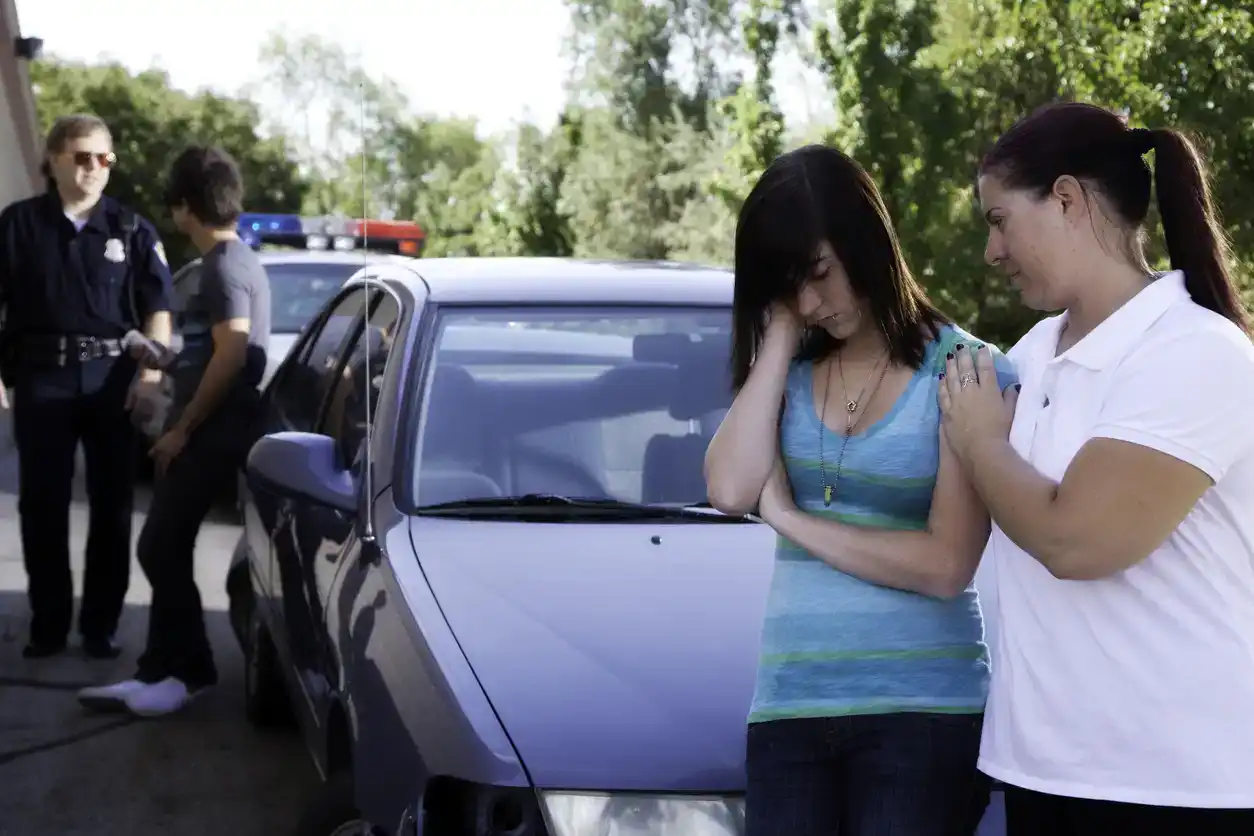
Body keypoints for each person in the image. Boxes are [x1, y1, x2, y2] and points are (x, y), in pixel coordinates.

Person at [939, 101, 1254, 834]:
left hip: (1177, 787)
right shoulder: (1027, 357)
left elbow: (1077, 541)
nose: (992, 251)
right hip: (1044, 773)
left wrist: (984, 444)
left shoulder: (1193, 351)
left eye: (997, 221)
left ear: (1068, 199)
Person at [704, 144, 1017, 836]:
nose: (811, 300)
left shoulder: (963, 371)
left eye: (819, 273)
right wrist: (780, 337)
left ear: (864, 240)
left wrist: (789, 517)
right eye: (788, 285)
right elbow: (729, 488)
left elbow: (945, 567)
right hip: (789, 704)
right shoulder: (788, 369)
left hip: (923, 710)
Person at [77, 146, 270, 717]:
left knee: (159, 546)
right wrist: (158, 351)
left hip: (216, 431)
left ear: (185, 207)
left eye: (176, 205)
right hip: (208, 426)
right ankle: (161, 669)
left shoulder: (226, 265)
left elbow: (233, 354)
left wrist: (183, 428)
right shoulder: (228, 263)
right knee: (166, 546)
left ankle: (187, 673)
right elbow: (215, 348)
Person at [0, 114, 173, 660]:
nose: (95, 168)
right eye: (82, 156)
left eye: (104, 158)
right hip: (42, 380)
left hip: (112, 383)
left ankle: (100, 625)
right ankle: (48, 625)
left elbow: (158, 310)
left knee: (112, 505)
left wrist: (149, 379)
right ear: (52, 160)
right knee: (42, 504)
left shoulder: (131, 229)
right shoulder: (20, 225)